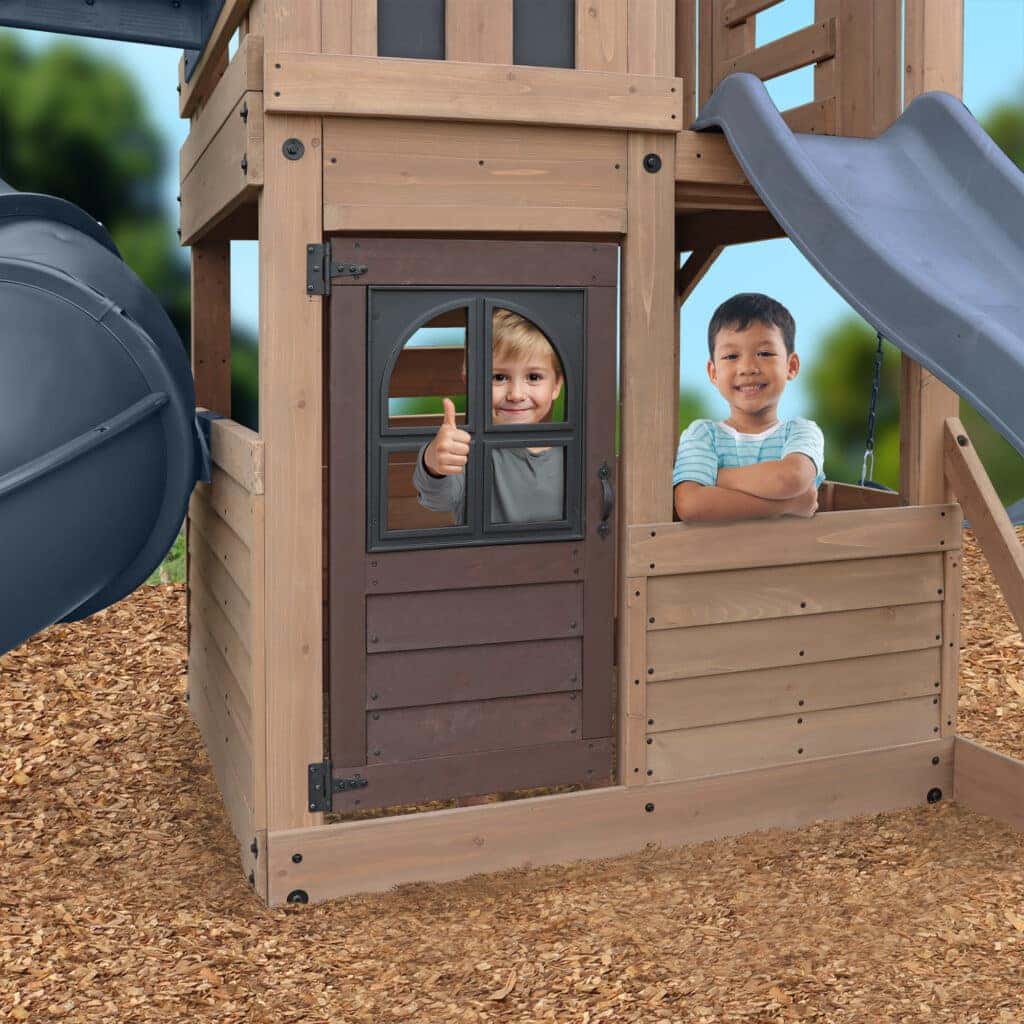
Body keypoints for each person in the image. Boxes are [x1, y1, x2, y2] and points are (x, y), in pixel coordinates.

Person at [673, 293, 825, 523]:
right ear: (713, 373)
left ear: (791, 366)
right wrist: (787, 504)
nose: (748, 367)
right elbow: (691, 505)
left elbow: (790, 479)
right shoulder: (704, 435)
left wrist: (717, 477)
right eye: (731, 356)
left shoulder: (801, 431)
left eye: (764, 353)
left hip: (791, 557)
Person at [413, 308, 565, 524]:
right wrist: (433, 463)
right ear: (471, 382)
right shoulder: (465, 449)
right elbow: (439, 499)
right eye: (500, 377)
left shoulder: (574, 451)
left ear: (556, 385)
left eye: (533, 377)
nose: (516, 395)